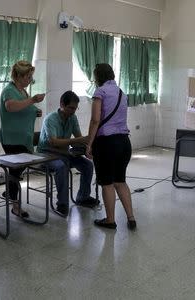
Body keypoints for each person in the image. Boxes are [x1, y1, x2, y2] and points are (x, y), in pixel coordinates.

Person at [86, 63, 136, 230]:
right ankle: (131, 218)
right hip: (124, 143)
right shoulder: (122, 92)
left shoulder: (100, 92)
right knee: (120, 181)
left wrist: (89, 144)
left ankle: (110, 219)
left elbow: (95, 120)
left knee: (107, 183)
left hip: (107, 144)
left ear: (98, 77)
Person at [37, 90, 99, 217]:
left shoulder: (72, 118)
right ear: (62, 104)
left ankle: (83, 197)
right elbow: (53, 142)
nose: (73, 111)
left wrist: (87, 148)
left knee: (87, 165)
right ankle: (62, 204)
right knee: (61, 166)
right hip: (46, 154)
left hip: (63, 153)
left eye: (75, 108)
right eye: (70, 108)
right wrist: (79, 140)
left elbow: (78, 138)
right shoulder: (51, 119)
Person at [0, 60, 45, 218]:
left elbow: (24, 107)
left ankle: (10, 191)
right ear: (18, 76)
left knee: (16, 171)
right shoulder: (9, 90)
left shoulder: (23, 92)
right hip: (12, 138)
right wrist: (33, 101)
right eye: (28, 77)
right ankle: (15, 204)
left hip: (24, 138)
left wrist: (35, 111)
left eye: (31, 77)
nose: (30, 80)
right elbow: (11, 107)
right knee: (16, 169)